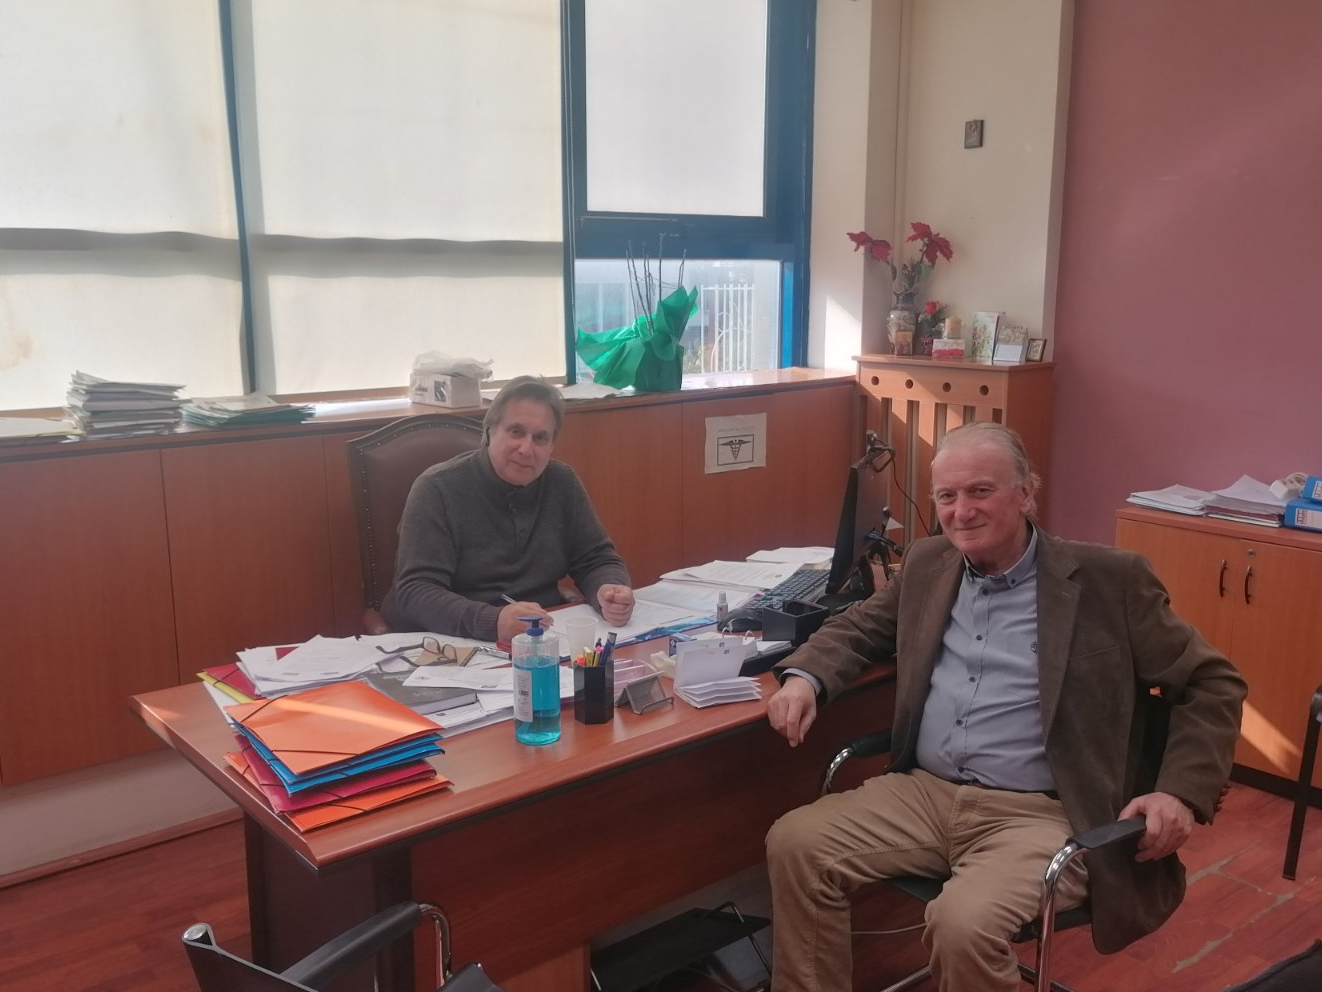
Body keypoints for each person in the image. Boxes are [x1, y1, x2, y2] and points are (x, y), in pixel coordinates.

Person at [764, 422, 1245, 992]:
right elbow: (859, 627)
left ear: (1025, 493)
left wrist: (1178, 793)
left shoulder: (1109, 581)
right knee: (796, 844)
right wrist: (806, 678)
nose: (961, 511)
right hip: (924, 793)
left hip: (1043, 812)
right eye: (947, 495)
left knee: (962, 925)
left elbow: (1212, 682)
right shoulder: (927, 562)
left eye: (980, 491)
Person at [381, 375, 634, 643]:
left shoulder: (562, 482)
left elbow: (596, 558)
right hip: (452, 642)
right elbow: (415, 591)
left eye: (540, 438)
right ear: (489, 432)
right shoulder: (437, 489)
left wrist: (608, 589)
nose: (526, 449)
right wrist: (493, 622)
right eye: (516, 432)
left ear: (552, 446)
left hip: (542, 637)